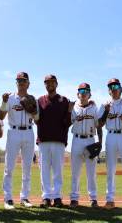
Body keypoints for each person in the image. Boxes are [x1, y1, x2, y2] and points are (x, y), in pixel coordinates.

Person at [0, 72, 39, 209]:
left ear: (28, 83)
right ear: (16, 83)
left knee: (27, 167)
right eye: (19, 81)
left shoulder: (33, 99)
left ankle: (25, 197)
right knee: (9, 167)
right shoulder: (9, 98)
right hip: (13, 132)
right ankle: (8, 198)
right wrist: (4, 102)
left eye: (23, 80)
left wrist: (32, 110)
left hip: (28, 131)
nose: (21, 83)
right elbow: (1, 115)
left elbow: (38, 119)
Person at [98, 78, 122, 210]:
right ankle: (110, 200)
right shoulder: (104, 105)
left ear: (121, 89)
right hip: (110, 136)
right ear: (109, 91)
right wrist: (106, 111)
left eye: (116, 87)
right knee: (110, 169)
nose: (113, 89)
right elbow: (99, 124)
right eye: (111, 87)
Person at [36, 74, 73, 208]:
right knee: (44, 171)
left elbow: (68, 123)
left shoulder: (64, 101)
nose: (49, 84)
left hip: (58, 140)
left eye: (52, 82)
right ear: (45, 85)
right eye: (47, 82)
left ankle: (57, 197)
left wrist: (69, 111)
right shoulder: (39, 100)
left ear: (56, 84)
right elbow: (36, 120)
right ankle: (46, 197)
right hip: (44, 140)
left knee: (58, 171)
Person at [69, 83, 102, 208]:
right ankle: (74, 198)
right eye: (81, 91)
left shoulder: (94, 108)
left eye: (86, 91)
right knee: (75, 172)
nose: (83, 93)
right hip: (76, 139)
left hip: (90, 140)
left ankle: (93, 198)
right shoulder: (73, 108)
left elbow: (98, 126)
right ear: (77, 94)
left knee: (91, 172)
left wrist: (99, 142)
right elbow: (67, 123)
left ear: (89, 94)